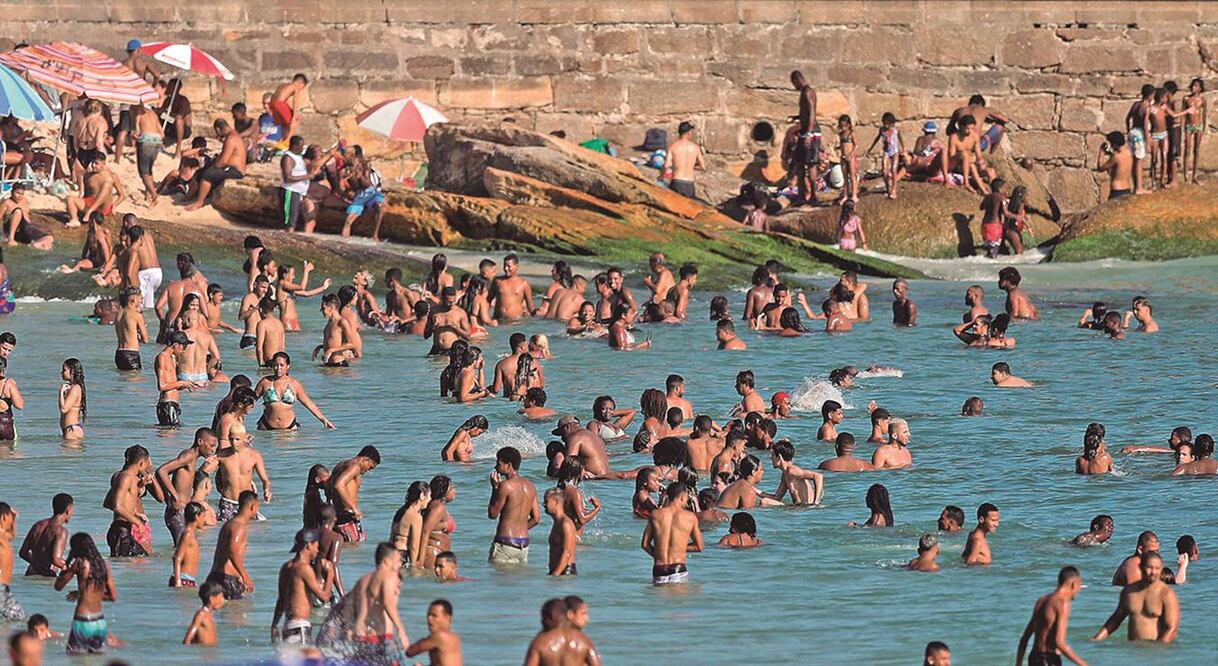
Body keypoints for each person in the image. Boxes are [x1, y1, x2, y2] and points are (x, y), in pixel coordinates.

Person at [1093, 552, 1179, 643]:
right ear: (1141, 567)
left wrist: (1157, 649)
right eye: (1149, 567)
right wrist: (1096, 639)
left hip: (1155, 651)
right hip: (1132, 651)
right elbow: (1116, 619)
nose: (1153, 572)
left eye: (1157, 568)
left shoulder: (1166, 594)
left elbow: (1171, 629)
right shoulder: (1129, 592)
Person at [55, 533, 117, 654]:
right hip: (99, 622)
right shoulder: (104, 565)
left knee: (74, 658)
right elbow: (112, 596)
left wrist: (65, 569)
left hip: (83, 620)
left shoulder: (79, 563)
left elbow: (58, 586)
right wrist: (82, 593)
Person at [271, 528, 335, 647]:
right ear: (309, 545)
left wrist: (274, 625)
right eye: (316, 545)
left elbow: (281, 600)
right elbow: (324, 597)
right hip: (300, 626)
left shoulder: (286, 567)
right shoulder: (304, 568)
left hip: (288, 625)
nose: (317, 550)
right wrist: (330, 574)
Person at [1016, 566, 1087, 666]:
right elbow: (1059, 642)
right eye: (1080, 585)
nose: (1079, 590)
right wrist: (1082, 664)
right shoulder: (1062, 604)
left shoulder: (1041, 601)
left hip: (1034, 658)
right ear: (1073, 584)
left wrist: (1018, 664)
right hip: (1049, 660)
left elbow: (1025, 638)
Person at [103, 445, 161, 557]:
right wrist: (137, 522)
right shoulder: (126, 477)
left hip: (125, 529)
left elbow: (108, 502)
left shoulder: (128, 477)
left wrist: (134, 513)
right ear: (141, 463)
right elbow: (117, 506)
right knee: (122, 564)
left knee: (143, 559)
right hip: (120, 531)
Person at [487, 446, 541, 566]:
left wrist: (495, 488)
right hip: (524, 544)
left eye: (498, 463)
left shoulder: (505, 486)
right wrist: (519, 529)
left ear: (508, 465)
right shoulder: (530, 486)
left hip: (505, 543)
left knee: (499, 582)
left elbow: (492, 514)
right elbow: (536, 519)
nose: (496, 467)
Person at [353, 543, 410, 655]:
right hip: (381, 638)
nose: (400, 564)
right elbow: (388, 604)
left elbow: (351, 607)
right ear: (387, 561)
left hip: (363, 635)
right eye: (398, 560)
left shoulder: (364, 579)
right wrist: (401, 630)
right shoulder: (389, 576)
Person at [641, 482, 703, 584]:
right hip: (678, 568)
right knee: (677, 599)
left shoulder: (656, 514)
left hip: (659, 568)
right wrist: (678, 547)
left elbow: (645, 544)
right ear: (682, 497)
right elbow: (699, 547)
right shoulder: (690, 517)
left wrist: (658, 554)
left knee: (658, 599)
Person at [254, 352, 334, 430]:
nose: (278, 368)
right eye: (275, 365)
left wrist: (323, 419)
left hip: (289, 428)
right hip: (266, 426)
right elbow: (251, 400)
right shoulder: (265, 382)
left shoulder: (294, 384)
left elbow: (308, 403)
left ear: (287, 366)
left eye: (282, 365)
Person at [206, 490, 258, 600]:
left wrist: (239, 576)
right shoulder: (238, 526)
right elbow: (232, 551)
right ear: (252, 506)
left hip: (216, 575)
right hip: (226, 578)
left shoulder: (229, 524)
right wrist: (245, 576)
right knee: (236, 614)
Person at [185, 119, 246, 211]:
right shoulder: (234, 136)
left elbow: (223, 161)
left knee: (207, 174)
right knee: (204, 171)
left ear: (218, 129)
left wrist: (213, 166)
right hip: (232, 168)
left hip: (236, 171)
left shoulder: (231, 139)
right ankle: (191, 197)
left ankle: (199, 202)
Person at [523, 598, 601, 666]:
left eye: (543, 618)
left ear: (552, 617)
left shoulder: (539, 643)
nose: (541, 621)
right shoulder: (584, 641)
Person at [328, 446, 381, 543]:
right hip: (348, 517)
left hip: (337, 515)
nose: (368, 470)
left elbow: (329, 486)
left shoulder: (341, 465)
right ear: (365, 460)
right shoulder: (355, 466)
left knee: (345, 551)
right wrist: (354, 509)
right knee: (354, 549)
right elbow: (339, 485)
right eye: (370, 467)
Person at [65, 150, 125, 228]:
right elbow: (82, 194)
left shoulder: (112, 176)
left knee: (107, 184)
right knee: (69, 198)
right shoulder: (87, 176)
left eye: (96, 163)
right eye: (92, 163)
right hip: (89, 204)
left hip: (103, 207)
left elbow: (122, 195)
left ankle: (89, 212)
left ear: (103, 164)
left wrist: (114, 205)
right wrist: (73, 206)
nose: (93, 165)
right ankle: (74, 220)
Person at [18, 494, 72, 577]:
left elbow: (22, 553)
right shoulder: (61, 531)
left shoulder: (38, 526)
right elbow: (56, 560)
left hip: (31, 572)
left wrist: (36, 563)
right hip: (47, 575)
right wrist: (72, 568)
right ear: (68, 510)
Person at [405, 599, 463, 665]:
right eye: (428, 615)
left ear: (447, 618)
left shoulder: (439, 636)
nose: (429, 618)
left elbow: (410, 652)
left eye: (434, 615)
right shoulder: (454, 637)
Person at [768, 440, 823, 505]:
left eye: (773, 455)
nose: (771, 458)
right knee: (765, 501)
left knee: (764, 501)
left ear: (779, 457)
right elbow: (776, 498)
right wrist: (755, 490)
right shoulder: (784, 475)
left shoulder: (792, 470)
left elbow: (818, 476)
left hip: (806, 508)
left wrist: (816, 502)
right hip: (798, 507)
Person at [867, 111, 906, 199]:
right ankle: (888, 188)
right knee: (884, 171)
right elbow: (876, 139)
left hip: (894, 151)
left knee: (893, 169)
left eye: (887, 124)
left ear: (892, 124)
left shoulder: (896, 130)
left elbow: (901, 139)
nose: (885, 126)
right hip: (886, 151)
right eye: (884, 124)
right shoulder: (882, 130)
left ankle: (894, 189)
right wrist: (871, 148)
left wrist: (903, 148)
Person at [0, 184, 52, 250]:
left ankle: (35, 246)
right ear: (12, 192)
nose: (20, 196)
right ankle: (11, 238)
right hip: (12, 229)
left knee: (48, 237)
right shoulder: (6, 202)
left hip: (25, 228)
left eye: (22, 194)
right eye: (17, 193)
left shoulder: (24, 200)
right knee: (18, 211)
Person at [664, 121, 705, 199]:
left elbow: (666, 165)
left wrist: (662, 175)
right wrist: (691, 167)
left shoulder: (673, 146)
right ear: (689, 133)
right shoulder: (695, 147)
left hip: (677, 181)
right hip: (689, 183)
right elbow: (703, 167)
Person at [170, 502, 205, 588]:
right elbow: (177, 557)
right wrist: (178, 581)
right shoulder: (188, 534)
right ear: (197, 516)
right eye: (203, 516)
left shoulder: (190, 533)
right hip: (183, 579)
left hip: (188, 579)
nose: (204, 520)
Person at [490, 254, 534, 321]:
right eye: (504, 266)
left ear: (517, 266)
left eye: (509, 266)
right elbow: (488, 300)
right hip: (499, 320)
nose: (505, 269)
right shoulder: (497, 281)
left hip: (516, 321)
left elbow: (531, 307)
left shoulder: (524, 284)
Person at [543, 487, 577, 576]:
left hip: (565, 572)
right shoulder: (557, 523)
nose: (543, 504)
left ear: (556, 502)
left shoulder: (566, 524)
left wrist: (555, 575)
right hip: (557, 570)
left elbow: (567, 553)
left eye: (546, 501)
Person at [1096, 131, 1135, 200]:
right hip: (1127, 189)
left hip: (1116, 191)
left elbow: (1101, 167)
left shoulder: (1116, 157)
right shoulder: (1129, 153)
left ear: (1115, 144)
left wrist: (1101, 152)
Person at [182, 581, 224, 646]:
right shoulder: (201, 614)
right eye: (221, 597)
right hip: (204, 655)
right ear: (211, 599)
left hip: (209, 653)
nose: (223, 601)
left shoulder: (208, 615)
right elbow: (187, 639)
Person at [0, 503, 22, 624]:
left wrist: (13, 518)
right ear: (3, 518)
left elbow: (12, 535)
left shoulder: (3, 536)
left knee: (15, 620)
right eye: (9, 517)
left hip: (4, 589)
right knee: (16, 619)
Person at [270, 74, 308, 138]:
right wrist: (295, 115)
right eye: (302, 87)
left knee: (284, 123)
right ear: (301, 83)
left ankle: (282, 139)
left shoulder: (283, 85)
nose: (301, 89)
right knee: (293, 121)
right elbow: (295, 101)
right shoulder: (296, 86)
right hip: (280, 103)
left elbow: (276, 96)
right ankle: (288, 141)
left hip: (273, 103)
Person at [980, 178, 1007, 258]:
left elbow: (981, 207)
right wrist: (1018, 217)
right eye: (1005, 188)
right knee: (993, 254)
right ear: (1000, 188)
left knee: (989, 251)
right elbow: (1006, 213)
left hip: (985, 226)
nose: (1006, 190)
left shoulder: (987, 197)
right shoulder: (1001, 197)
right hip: (994, 226)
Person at [0, 357, 22, 441]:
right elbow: (19, 405)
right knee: (7, 452)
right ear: (4, 369)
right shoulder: (8, 383)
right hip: (4, 425)